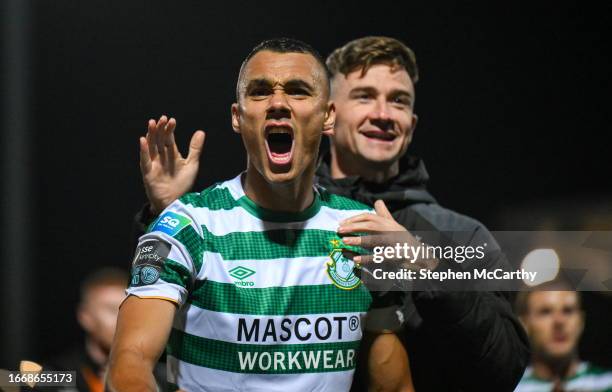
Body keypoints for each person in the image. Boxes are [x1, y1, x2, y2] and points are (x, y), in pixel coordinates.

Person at [133, 36, 530, 391]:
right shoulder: (234, 212)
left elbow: (503, 369)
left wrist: (427, 272)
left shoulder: (463, 236)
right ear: (332, 113)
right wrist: (164, 212)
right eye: (365, 96)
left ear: (412, 122)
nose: (383, 113)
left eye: (399, 100)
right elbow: (160, 325)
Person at [109, 38, 414, 392]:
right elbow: (128, 363)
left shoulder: (362, 233)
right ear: (238, 117)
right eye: (260, 92)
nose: (279, 103)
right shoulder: (187, 226)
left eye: (298, 91)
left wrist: (427, 262)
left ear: (328, 116)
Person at [515, 290, 612, 392]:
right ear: (524, 324)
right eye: (546, 311)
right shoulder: (511, 388)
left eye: (568, 311)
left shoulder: (608, 382)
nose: (559, 321)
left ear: (581, 321)